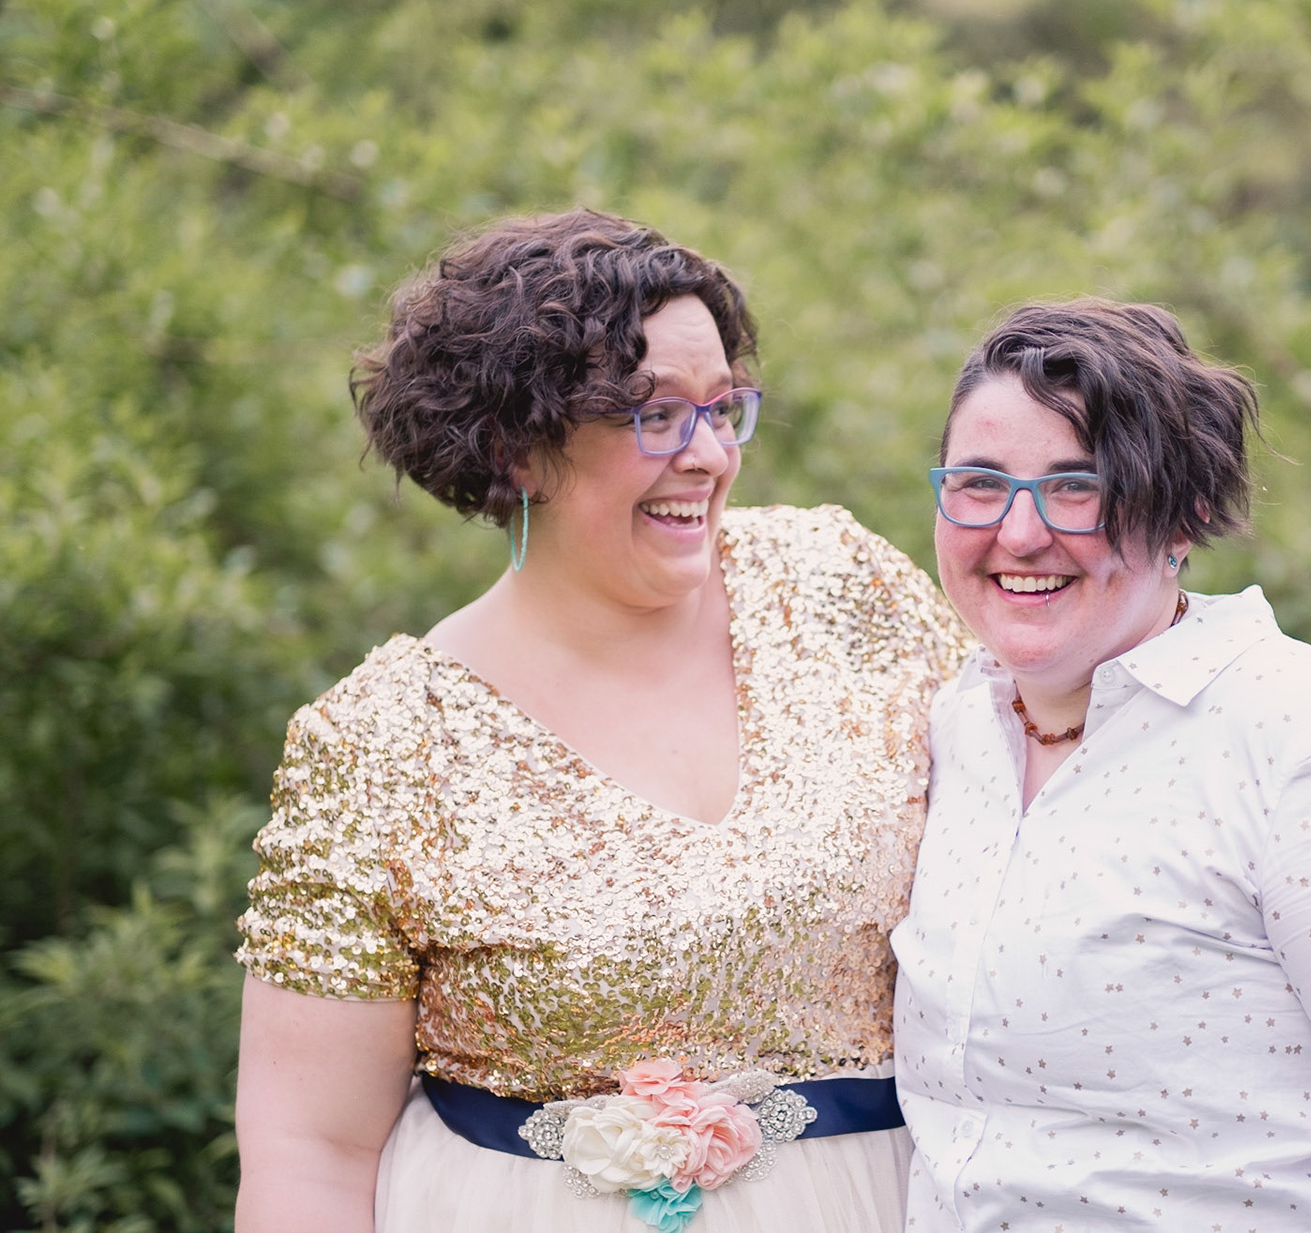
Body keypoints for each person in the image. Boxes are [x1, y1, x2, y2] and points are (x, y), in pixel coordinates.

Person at [233, 210, 966, 1233]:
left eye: (723, 408)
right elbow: (311, 1149)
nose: (708, 454)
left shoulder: (842, 583)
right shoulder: (383, 741)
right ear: (514, 446)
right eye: (653, 413)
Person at [892, 299, 1311, 1230]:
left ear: (1186, 516)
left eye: (1078, 486)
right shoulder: (948, 730)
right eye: (980, 483)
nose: (1021, 532)